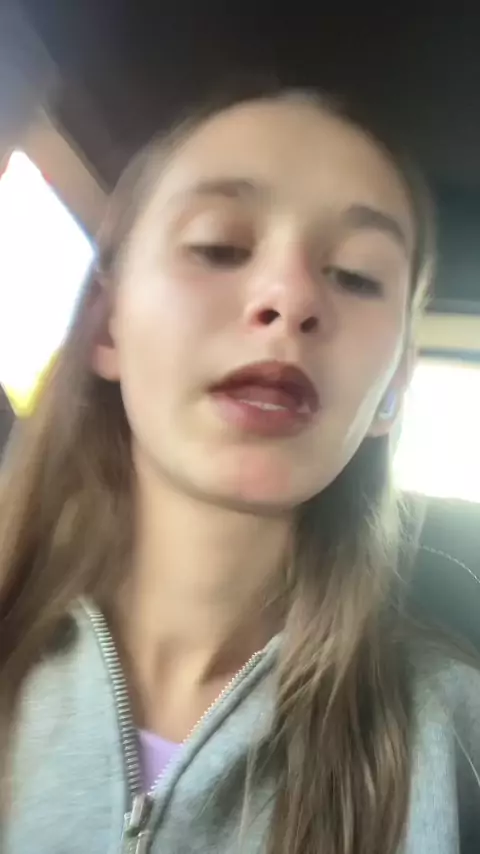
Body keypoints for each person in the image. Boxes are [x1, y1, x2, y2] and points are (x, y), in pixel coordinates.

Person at [0, 87, 478, 854]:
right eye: (218, 246)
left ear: (394, 386)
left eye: (356, 275)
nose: (291, 299)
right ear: (107, 326)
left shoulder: (454, 739)